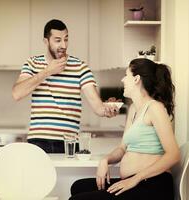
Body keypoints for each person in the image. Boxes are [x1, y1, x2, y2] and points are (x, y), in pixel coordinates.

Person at [69, 58, 181, 200]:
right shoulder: (134, 109)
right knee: (78, 187)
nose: (122, 80)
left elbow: (174, 154)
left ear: (136, 79)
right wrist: (105, 160)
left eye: (126, 75)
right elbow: (122, 148)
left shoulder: (155, 108)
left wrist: (135, 179)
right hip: (135, 182)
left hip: (152, 185)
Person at [12, 19, 118, 153]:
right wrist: (47, 71)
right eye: (57, 40)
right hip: (38, 142)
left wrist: (107, 110)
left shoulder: (80, 66)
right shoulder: (32, 64)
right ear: (46, 41)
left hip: (69, 143)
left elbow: (97, 106)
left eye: (66, 39)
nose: (63, 45)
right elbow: (17, 93)